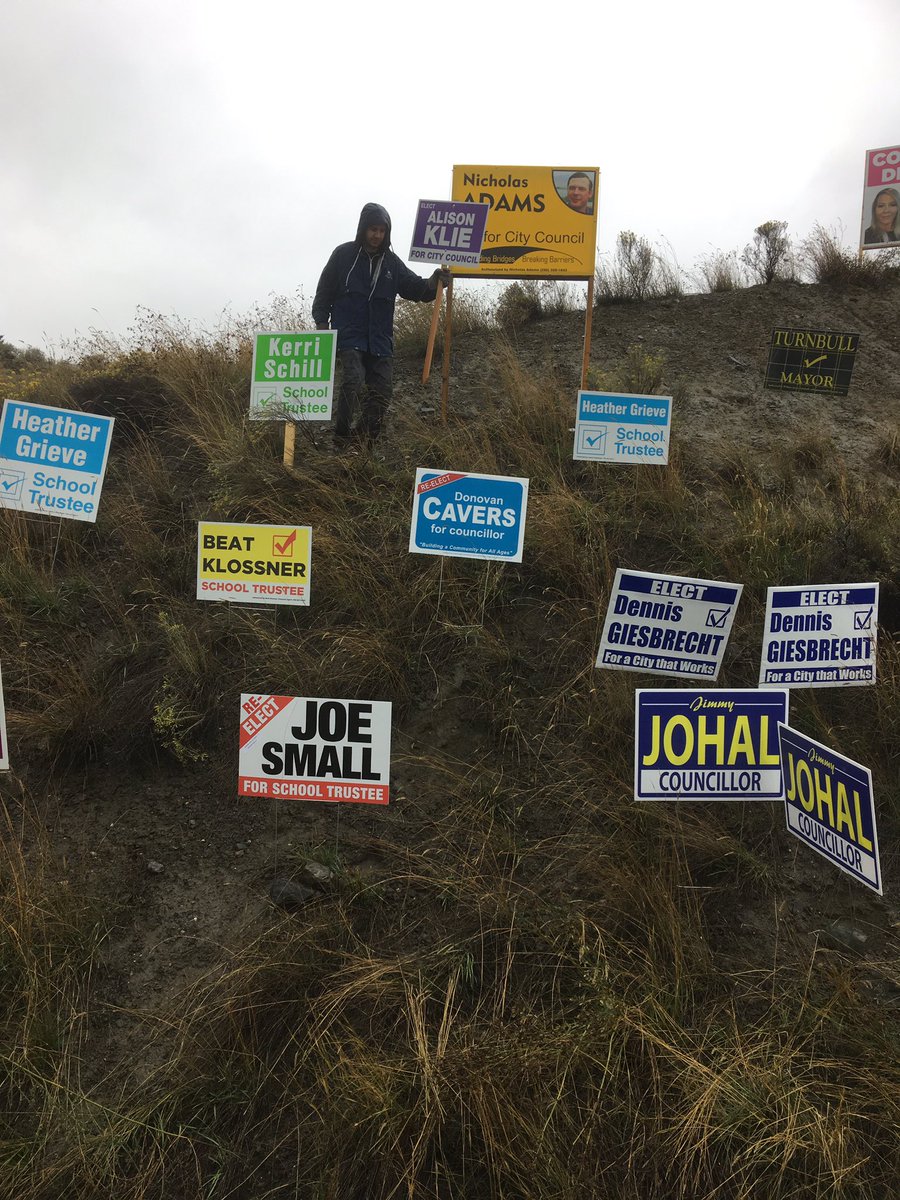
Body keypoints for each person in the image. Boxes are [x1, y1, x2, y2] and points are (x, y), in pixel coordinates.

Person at [312, 202, 448, 448]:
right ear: (363, 229)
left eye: (382, 230)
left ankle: (364, 441)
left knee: (382, 393)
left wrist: (435, 281)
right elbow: (324, 292)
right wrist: (322, 325)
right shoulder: (342, 255)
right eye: (372, 229)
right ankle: (341, 438)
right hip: (349, 335)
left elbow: (415, 288)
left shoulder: (392, 264)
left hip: (380, 340)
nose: (377, 235)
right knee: (353, 379)